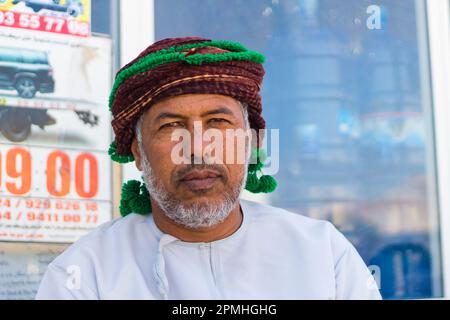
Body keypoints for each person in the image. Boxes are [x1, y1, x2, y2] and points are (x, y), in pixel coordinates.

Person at [36, 37, 382, 300]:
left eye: (217, 122)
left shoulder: (322, 253)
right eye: (171, 126)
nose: (198, 149)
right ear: (137, 153)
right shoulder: (85, 274)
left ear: (249, 143)